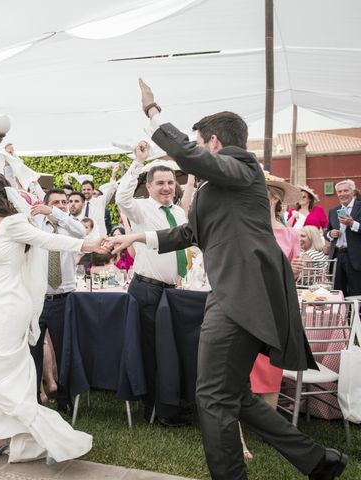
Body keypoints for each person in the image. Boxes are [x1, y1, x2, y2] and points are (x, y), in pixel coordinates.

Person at [107, 79, 347, 480]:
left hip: (241, 295)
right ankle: (318, 460)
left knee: (212, 397)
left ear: (214, 143)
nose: (196, 150)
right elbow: (190, 234)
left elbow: (188, 155)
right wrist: (137, 236)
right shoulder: (219, 187)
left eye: (200, 143)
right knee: (233, 396)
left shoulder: (243, 166)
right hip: (236, 293)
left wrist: (153, 113)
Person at [0, 172, 104, 463]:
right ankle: (4, 434)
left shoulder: (13, 224)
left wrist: (87, 245)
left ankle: (46, 439)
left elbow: (47, 239)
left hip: (10, 307)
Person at [115, 145, 189, 427]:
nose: (167, 188)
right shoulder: (141, 209)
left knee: (171, 350)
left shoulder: (180, 214)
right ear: (148, 186)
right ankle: (155, 410)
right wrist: (138, 162)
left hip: (175, 291)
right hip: (147, 289)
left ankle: (171, 403)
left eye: (171, 183)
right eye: (160, 183)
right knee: (153, 351)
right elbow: (122, 196)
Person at [243, 177, 302, 459]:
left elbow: (292, 272)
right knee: (240, 372)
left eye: (263, 195)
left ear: (276, 199)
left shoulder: (289, 234)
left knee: (270, 370)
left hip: (276, 309)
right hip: (247, 307)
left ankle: (266, 430)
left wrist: (296, 269)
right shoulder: (246, 228)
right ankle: (237, 435)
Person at [29, 188, 86, 416]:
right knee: (34, 351)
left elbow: (82, 231)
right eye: (55, 202)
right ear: (44, 205)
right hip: (38, 299)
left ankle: (65, 398)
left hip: (64, 299)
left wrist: (57, 213)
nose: (61, 205)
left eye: (63, 202)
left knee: (65, 351)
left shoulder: (70, 227)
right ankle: (34, 397)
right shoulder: (35, 228)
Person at [326, 179, 361, 297]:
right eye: (339, 191)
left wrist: (352, 224)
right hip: (337, 256)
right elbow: (326, 231)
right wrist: (330, 234)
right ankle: (341, 315)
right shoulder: (333, 211)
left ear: (353, 192)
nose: (342, 194)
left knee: (356, 292)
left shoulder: (359, 207)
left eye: (346, 190)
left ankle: (356, 315)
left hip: (356, 258)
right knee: (338, 292)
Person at [77, 165, 119, 237]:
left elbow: (111, 189)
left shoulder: (100, 201)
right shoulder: (78, 204)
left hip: (99, 237)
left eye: (88, 189)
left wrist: (113, 175)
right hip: (83, 238)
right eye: (84, 190)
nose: (86, 191)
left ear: (93, 190)